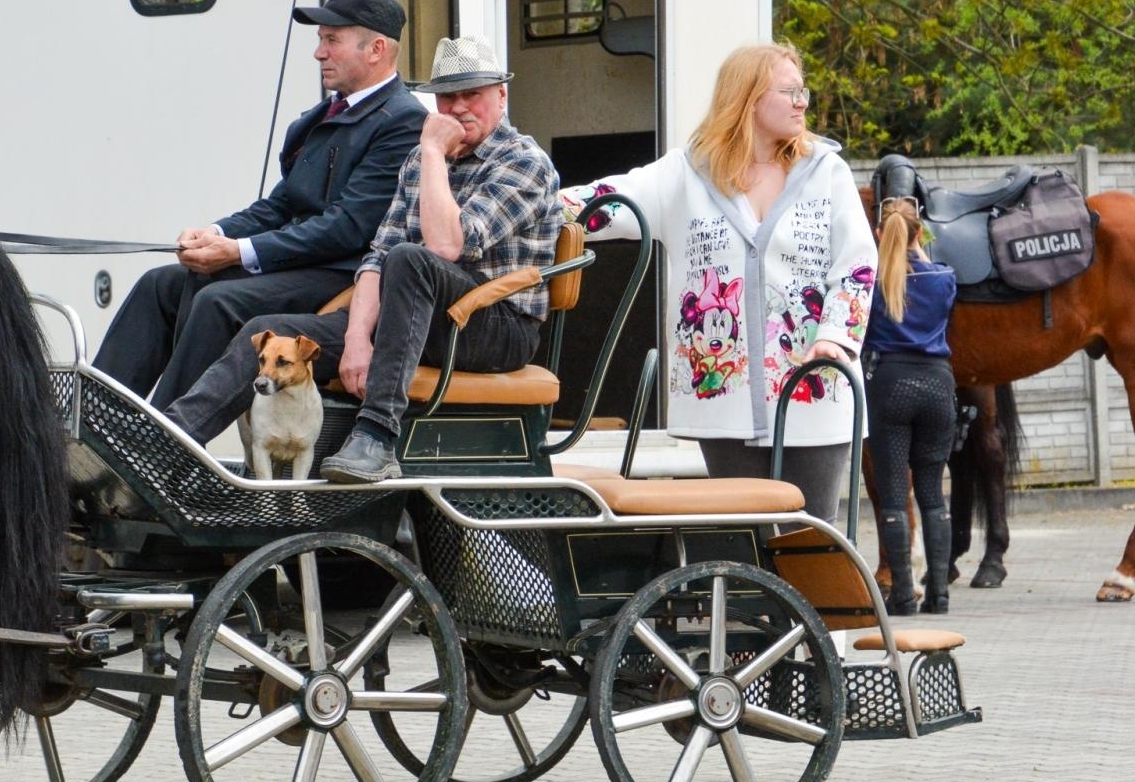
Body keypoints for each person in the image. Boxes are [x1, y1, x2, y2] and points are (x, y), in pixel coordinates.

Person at [164, 35, 563, 483]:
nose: (458, 107)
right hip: (408, 316)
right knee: (268, 333)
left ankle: (376, 436)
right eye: (448, 97)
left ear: (501, 95)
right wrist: (356, 338)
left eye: (473, 94)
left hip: (493, 326)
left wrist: (432, 151)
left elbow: (447, 247)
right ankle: (166, 448)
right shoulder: (418, 160)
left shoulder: (523, 162)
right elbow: (378, 255)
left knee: (412, 260)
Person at [560, 43, 877, 522]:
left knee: (812, 537)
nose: (803, 102)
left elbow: (857, 264)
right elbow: (606, 201)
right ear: (749, 97)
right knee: (744, 539)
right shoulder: (688, 173)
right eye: (790, 91)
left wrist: (835, 338)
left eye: (803, 91)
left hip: (813, 390)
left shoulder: (825, 171)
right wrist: (532, 206)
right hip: (722, 398)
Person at [92, 0, 428, 408]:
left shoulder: (403, 122)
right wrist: (214, 232)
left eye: (331, 40)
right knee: (160, 284)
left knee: (218, 300)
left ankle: (165, 442)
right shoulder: (324, 116)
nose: (318, 53)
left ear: (376, 49)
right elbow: (281, 205)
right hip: (297, 262)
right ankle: (97, 422)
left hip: (345, 274)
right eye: (319, 40)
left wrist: (237, 251)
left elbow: (348, 227)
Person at [862, 197, 958, 614]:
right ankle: (940, 593)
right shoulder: (944, 278)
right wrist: (915, 246)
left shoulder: (871, 281)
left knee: (893, 495)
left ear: (881, 235)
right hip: (938, 385)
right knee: (933, 496)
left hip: (889, 385)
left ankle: (903, 592)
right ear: (920, 234)